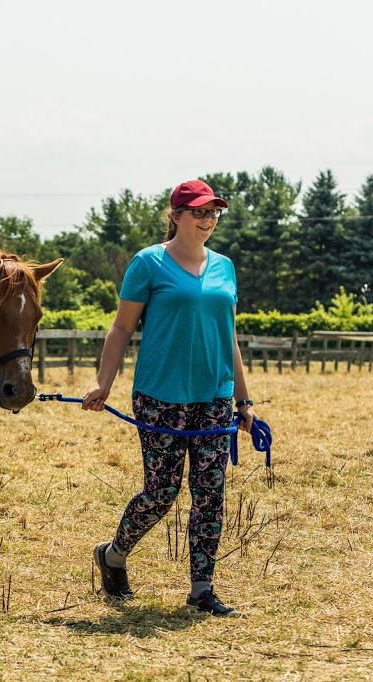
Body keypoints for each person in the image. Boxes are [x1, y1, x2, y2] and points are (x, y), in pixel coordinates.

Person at [81, 179, 257, 616]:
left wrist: (244, 400)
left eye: (213, 212)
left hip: (214, 398)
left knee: (210, 494)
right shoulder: (149, 263)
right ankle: (113, 555)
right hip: (160, 396)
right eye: (199, 211)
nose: (208, 219)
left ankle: (202, 589)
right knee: (161, 492)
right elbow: (122, 328)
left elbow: (229, 336)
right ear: (176, 216)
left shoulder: (225, 268)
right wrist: (103, 383)